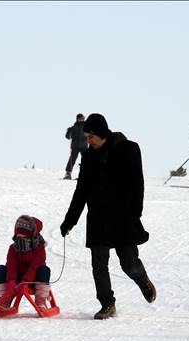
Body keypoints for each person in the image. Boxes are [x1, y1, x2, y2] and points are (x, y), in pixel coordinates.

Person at [60, 113, 156, 320]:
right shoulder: (88, 157)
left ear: (102, 134)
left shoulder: (128, 149)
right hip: (98, 217)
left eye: (91, 137)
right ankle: (107, 304)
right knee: (98, 264)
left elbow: (137, 184)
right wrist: (70, 220)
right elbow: (81, 192)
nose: (88, 141)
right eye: (86, 137)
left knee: (128, 264)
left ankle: (142, 279)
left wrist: (134, 214)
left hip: (123, 217)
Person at [0, 215, 51, 311]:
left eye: (23, 234)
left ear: (31, 234)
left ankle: (40, 301)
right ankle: (5, 299)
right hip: (15, 281)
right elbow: (11, 265)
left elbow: (34, 267)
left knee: (44, 270)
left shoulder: (39, 248)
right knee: (0, 269)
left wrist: (25, 281)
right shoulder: (13, 248)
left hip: (32, 281)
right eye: (18, 233)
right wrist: (11, 280)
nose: (19, 236)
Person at [63, 113, 88, 179]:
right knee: (72, 159)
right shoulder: (73, 127)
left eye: (82, 118)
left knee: (86, 160)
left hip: (84, 146)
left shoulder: (87, 127)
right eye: (80, 118)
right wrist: (68, 132)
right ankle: (68, 173)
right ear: (77, 119)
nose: (81, 119)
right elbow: (68, 137)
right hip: (75, 146)